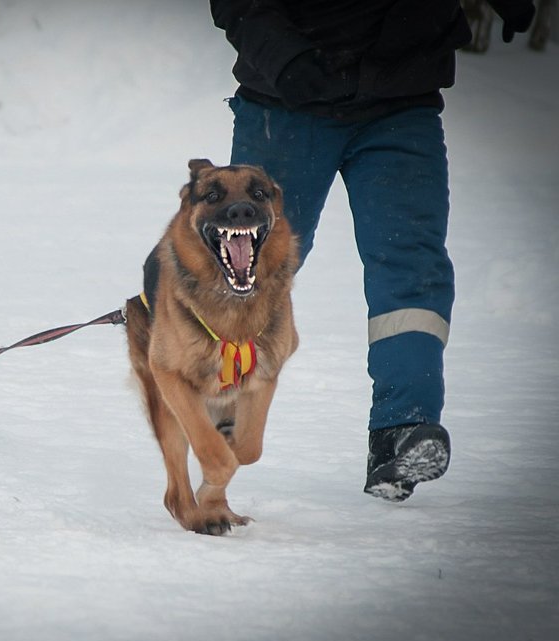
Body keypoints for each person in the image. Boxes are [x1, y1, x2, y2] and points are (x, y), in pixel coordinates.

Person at [208, 0, 535, 501]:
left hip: (402, 93)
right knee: (250, 263)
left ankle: (402, 429)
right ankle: (218, 400)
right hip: (287, 98)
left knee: (412, 266)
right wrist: (284, 57)